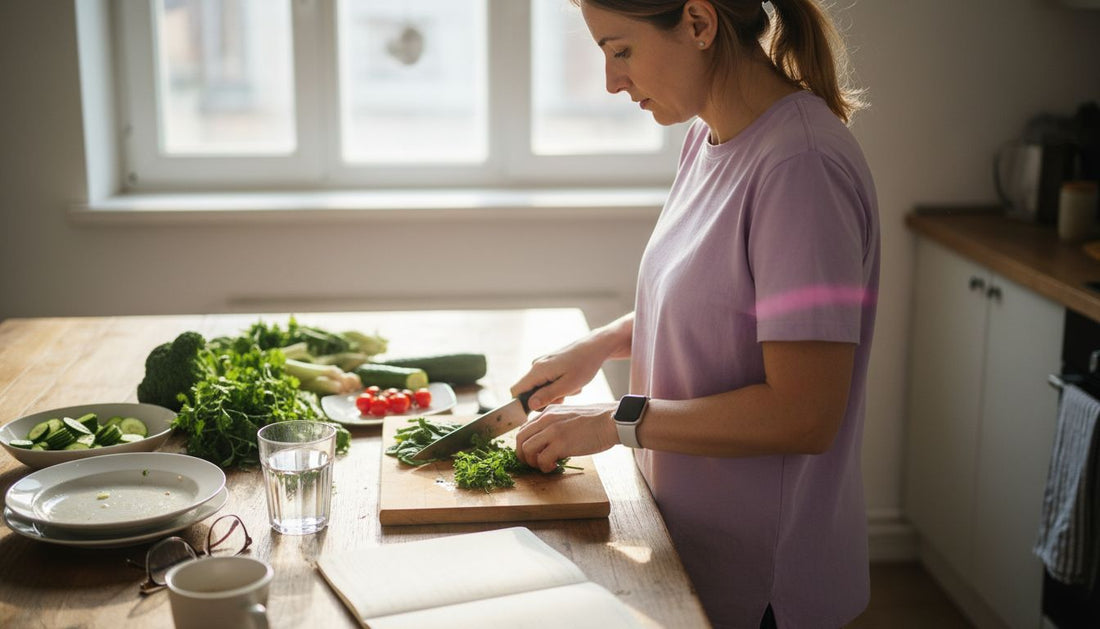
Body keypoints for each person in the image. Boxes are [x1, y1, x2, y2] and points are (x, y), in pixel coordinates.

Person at [510, 1, 879, 627]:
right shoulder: (708, 138)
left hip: (763, 585)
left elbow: (805, 414)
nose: (612, 81)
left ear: (700, 24)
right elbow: (716, 306)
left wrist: (614, 421)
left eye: (621, 50)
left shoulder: (801, 167)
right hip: (690, 550)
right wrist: (597, 346)